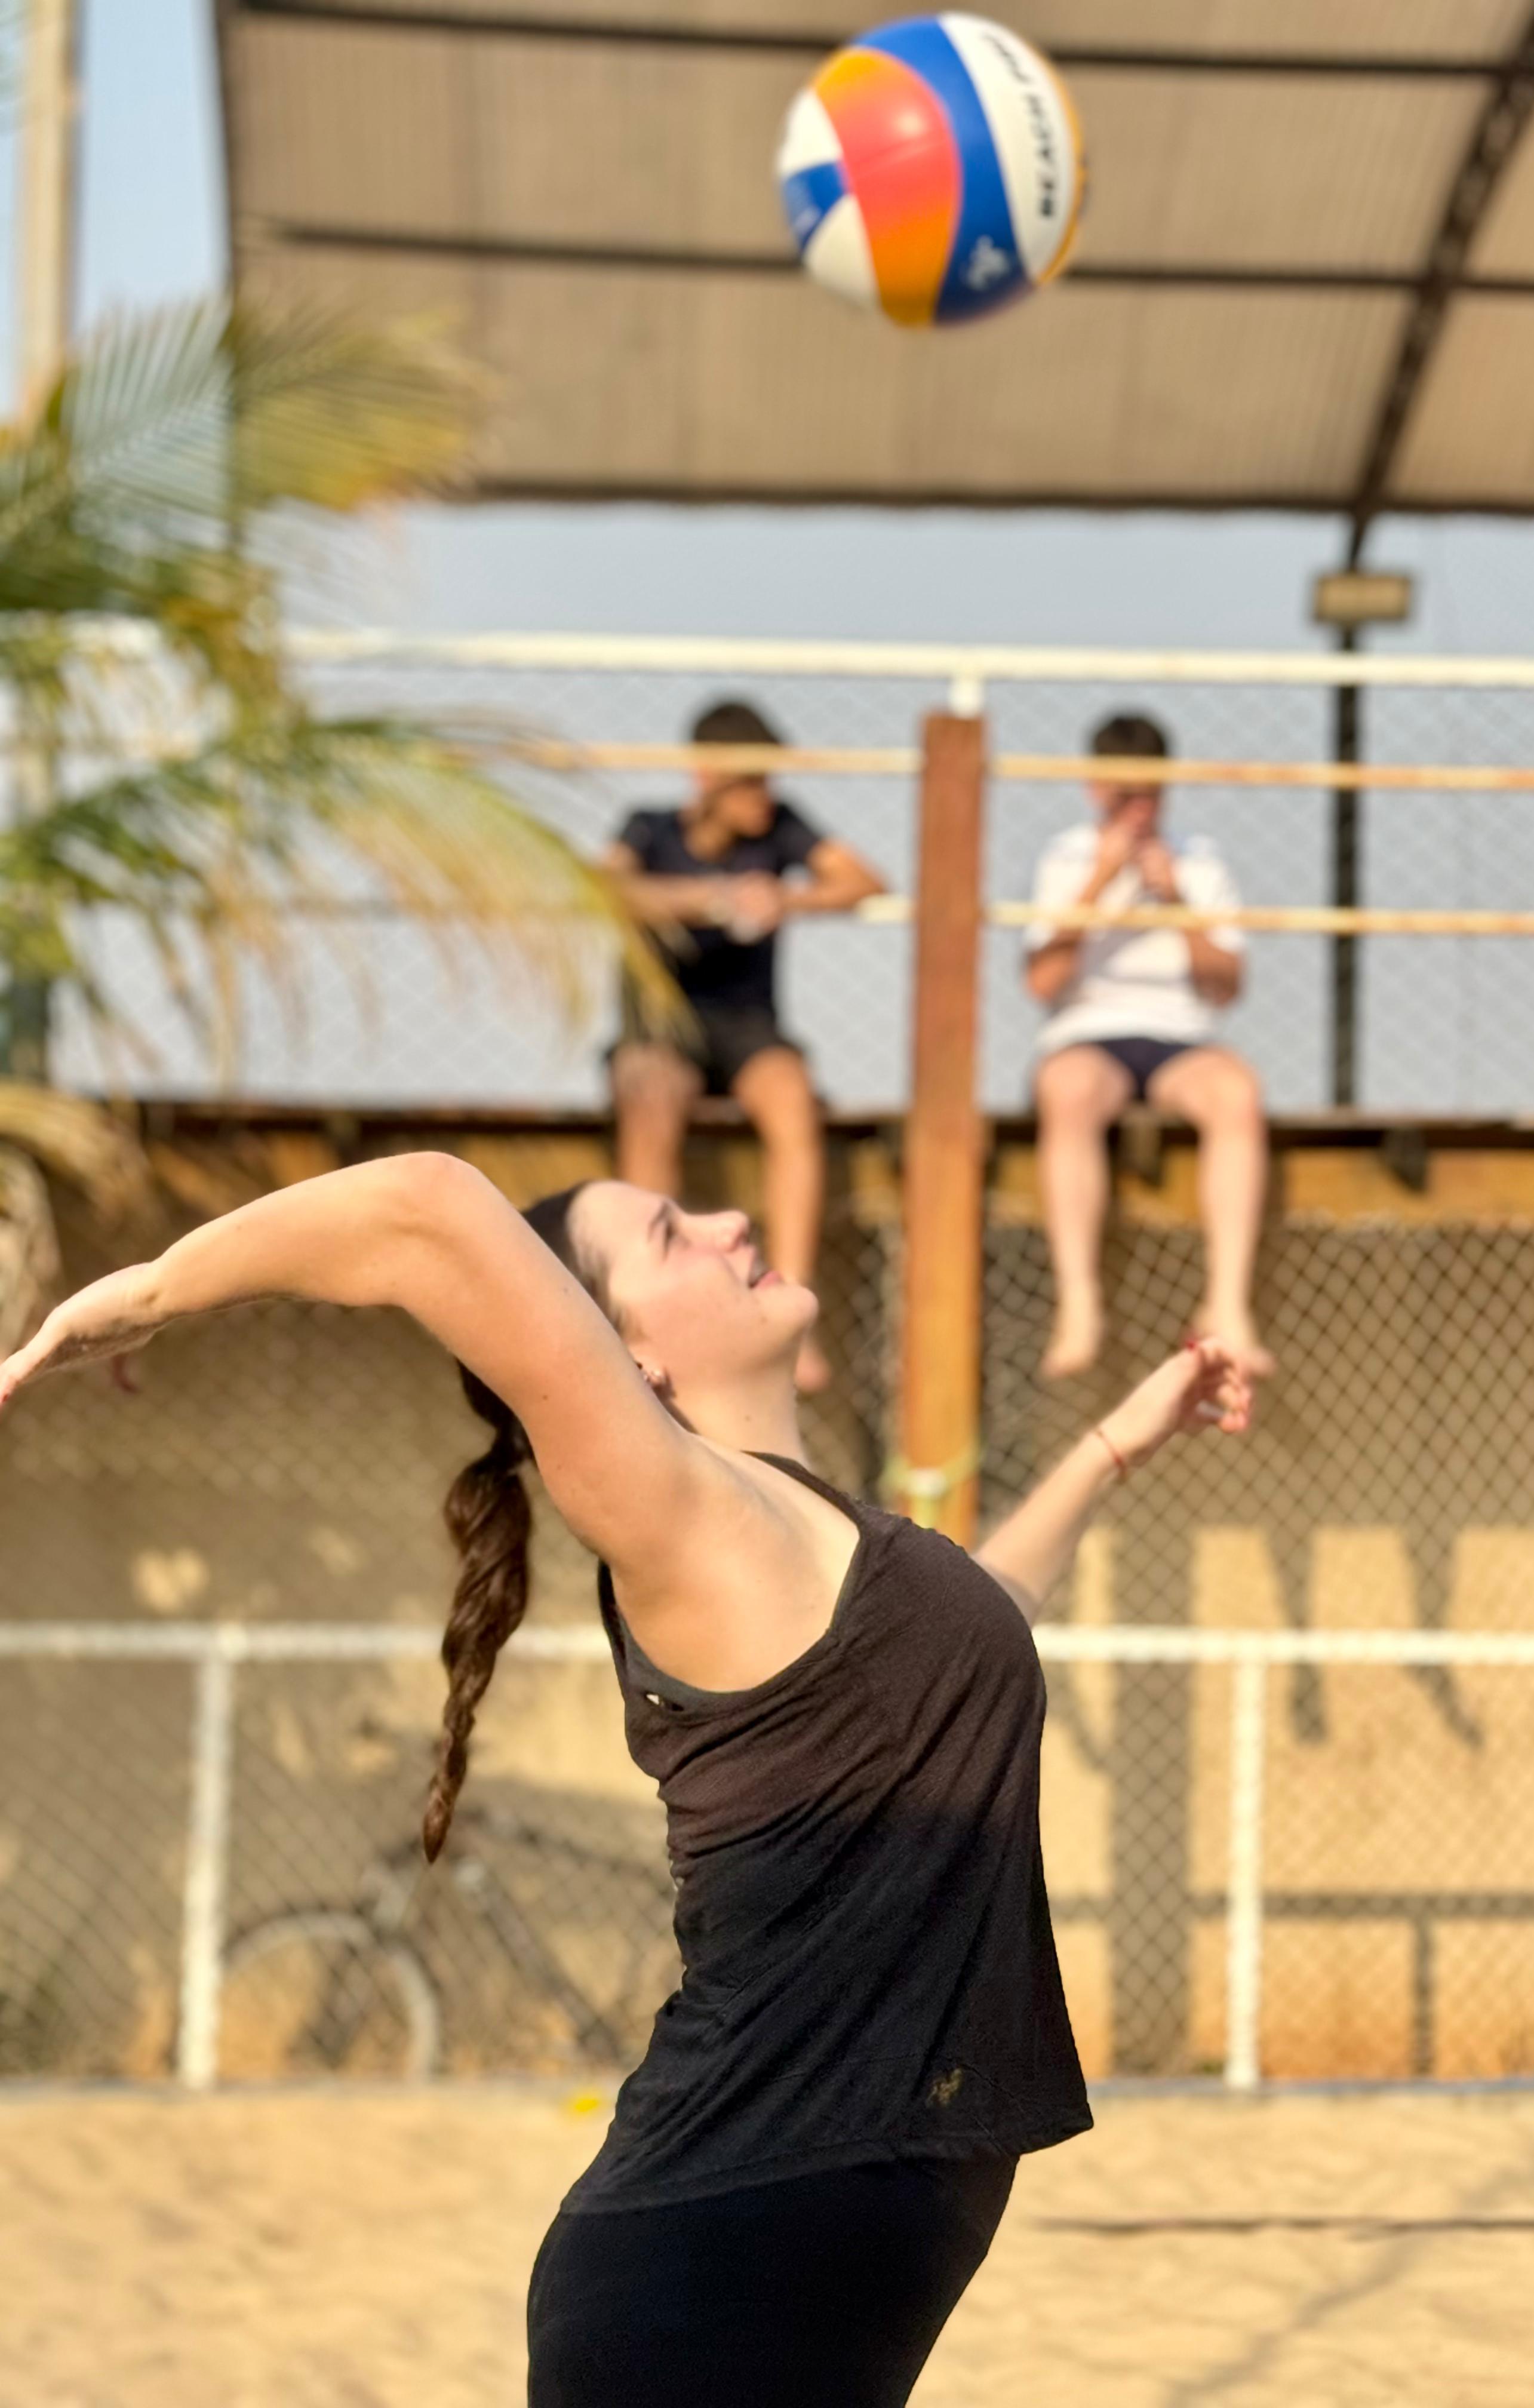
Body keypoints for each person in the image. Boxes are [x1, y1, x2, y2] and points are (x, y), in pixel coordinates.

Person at [0, 1156, 1249, 2408]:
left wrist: (1119, 1442)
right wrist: (158, 1290)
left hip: (795, 2265)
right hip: (713, 2275)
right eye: (667, 1235)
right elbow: (428, 1209)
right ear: (626, 1362)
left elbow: (966, 1643)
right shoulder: (676, 1510)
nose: (727, 1222)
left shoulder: (818, 1538)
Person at [605, 697, 887, 1394]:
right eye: (751, 781)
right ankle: (648, 1316)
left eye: (770, 779)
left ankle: (790, 1313)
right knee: (650, 1097)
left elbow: (864, 881)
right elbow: (607, 886)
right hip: (661, 1027)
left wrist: (784, 899)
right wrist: (710, 898)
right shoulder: (647, 828)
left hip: (748, 1029)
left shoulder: (782, 831)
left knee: (793, 1096)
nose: (766, 796)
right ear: (706, 776)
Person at [1024, 710, 1272, 1384]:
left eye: (1149, 796)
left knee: (1237, 1092)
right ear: (1093, 789)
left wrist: (1179, 902)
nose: (1138, 811)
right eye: (1122, 795)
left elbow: (1226, 987)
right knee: (1067, 1089)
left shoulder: (1201, 860)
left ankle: (1227, 1302)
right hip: (1088, 1034)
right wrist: (1098, 883)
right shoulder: (1066, 858)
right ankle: (1080, 1302)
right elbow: (1043, 980)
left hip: (1180, 1037)